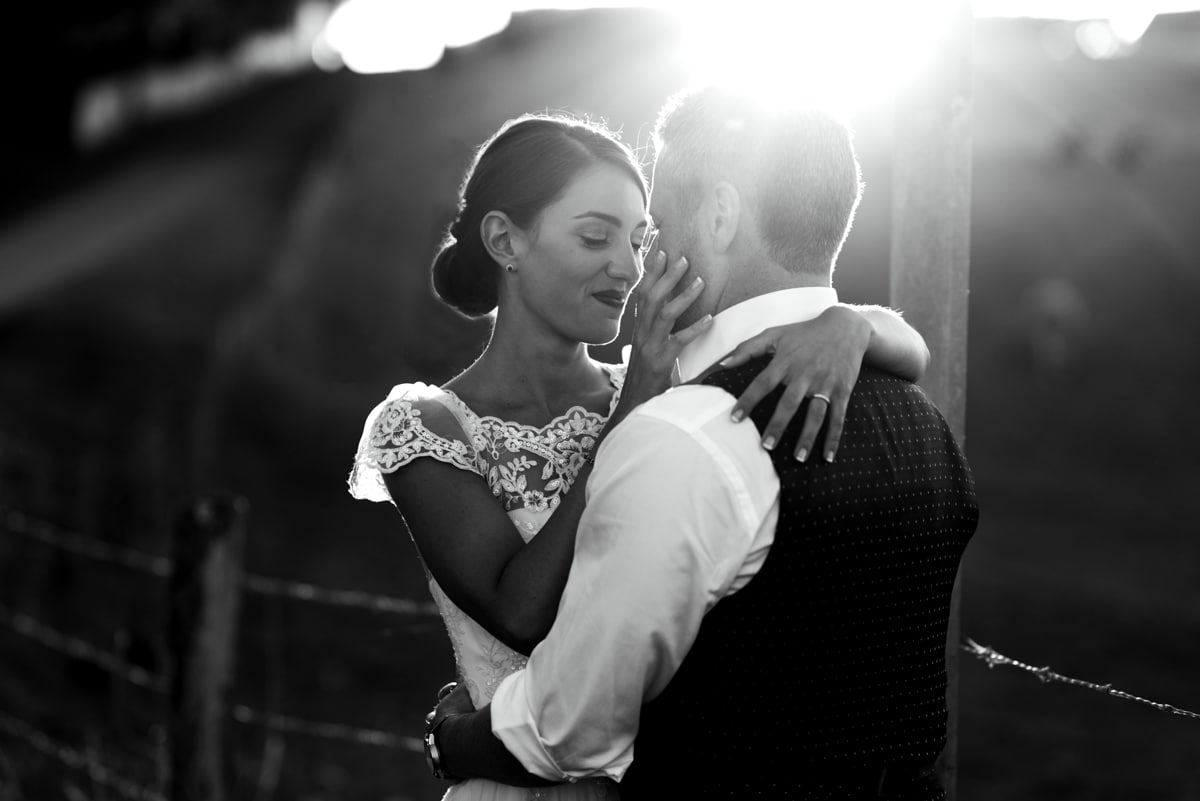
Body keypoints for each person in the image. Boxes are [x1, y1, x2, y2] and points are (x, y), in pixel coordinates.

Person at [349, 110, 933, 801]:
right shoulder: (424, 426)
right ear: (506, 240)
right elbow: (520, 611)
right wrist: (628, 416)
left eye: (640, 237)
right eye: (595, 236)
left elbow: (899, 347)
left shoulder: (657, 384)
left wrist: (846, 323)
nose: (627, 267)